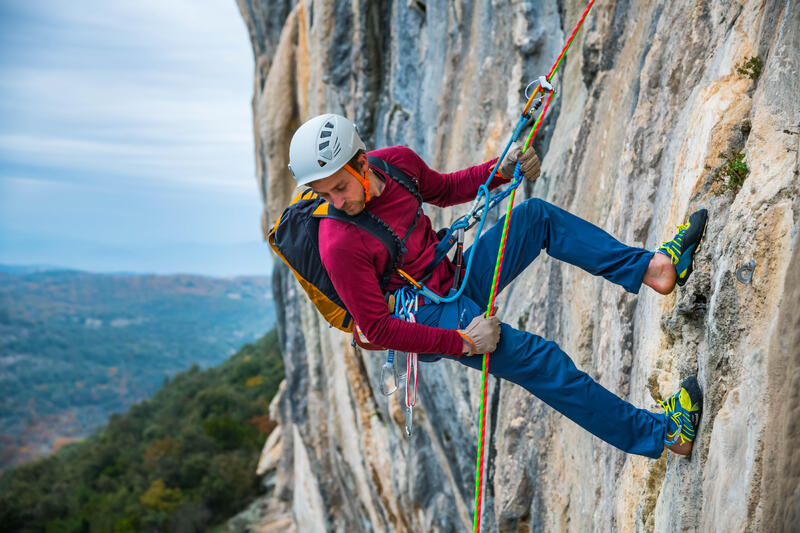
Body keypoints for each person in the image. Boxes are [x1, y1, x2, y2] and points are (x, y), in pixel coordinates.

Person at [285, 113, 706, 458]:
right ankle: (666, 434)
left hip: (449, 276)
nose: (337, 201)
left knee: (537, 217)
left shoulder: (396, 164)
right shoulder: (338, 243)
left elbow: (445, 189)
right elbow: (376, 329)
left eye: (339, 187)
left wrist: (499, 171)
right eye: (325, 194)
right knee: (540, 360)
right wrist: (464, 343)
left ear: (361, 161)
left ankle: (655, 269)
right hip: (427, 315)